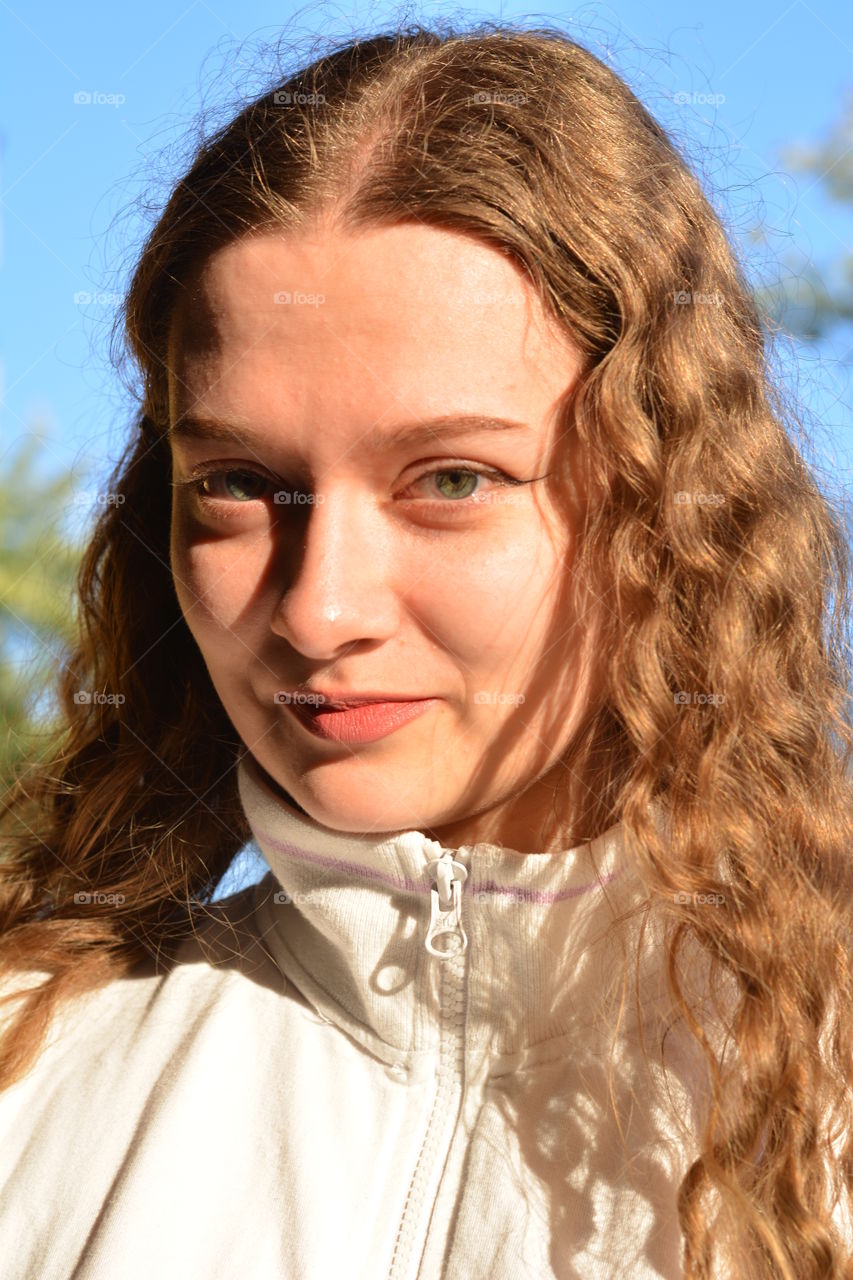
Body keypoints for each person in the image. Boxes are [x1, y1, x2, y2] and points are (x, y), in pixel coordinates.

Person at [0, 20, 851, 1280]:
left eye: (450, 477)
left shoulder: (816, 1103)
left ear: (671, 500)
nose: (316, 608)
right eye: (239, 483)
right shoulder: (30, 1062)